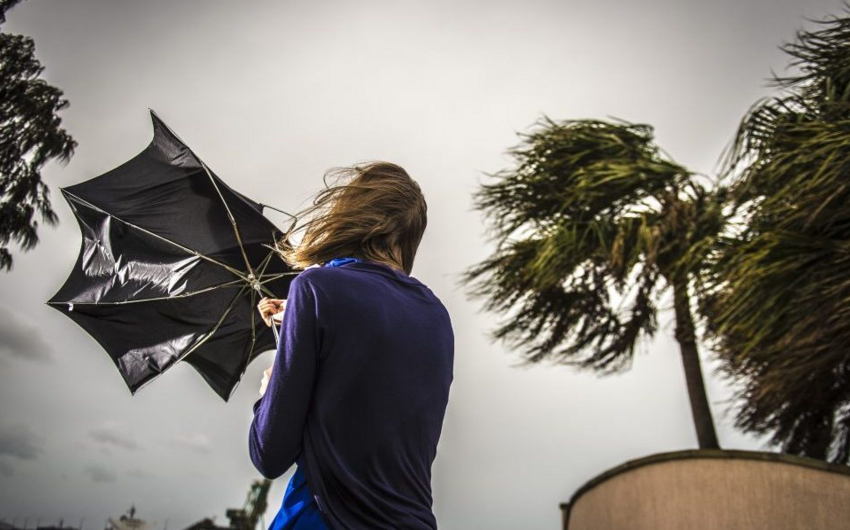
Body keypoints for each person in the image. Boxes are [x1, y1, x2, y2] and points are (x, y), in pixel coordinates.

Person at [249, 161, 454, 529]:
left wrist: (268, 394)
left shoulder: (316, 289)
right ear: (409, 238)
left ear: (351, 215)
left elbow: (269, 454)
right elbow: (369, 396)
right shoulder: (437, 316)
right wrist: (298, 317)